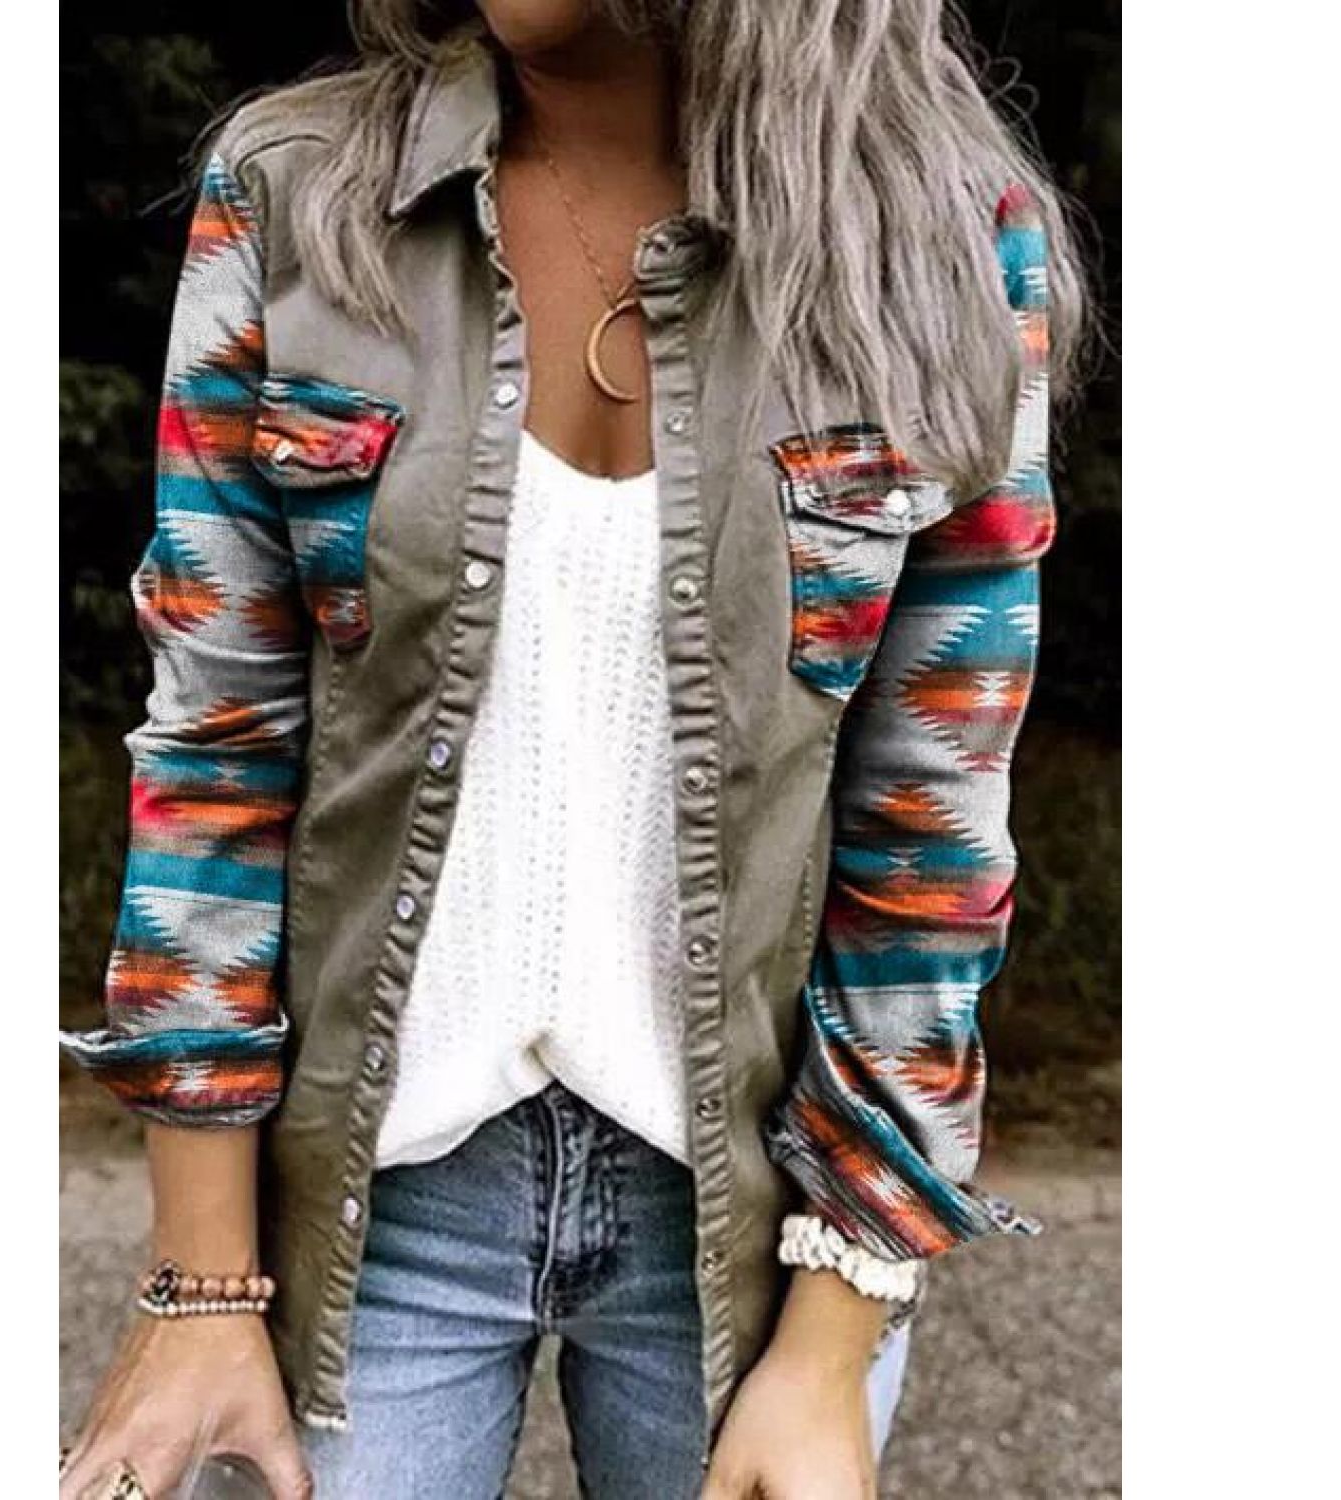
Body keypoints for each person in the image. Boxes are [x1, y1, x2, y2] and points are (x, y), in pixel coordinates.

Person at [60, 2, 1086, 1496]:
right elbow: (217, 757)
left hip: (756, 1225)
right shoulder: (297, 196)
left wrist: (833, 1332)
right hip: (370, 1209)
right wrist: (200, 1287)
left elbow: (930, 834)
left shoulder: (942, 246)